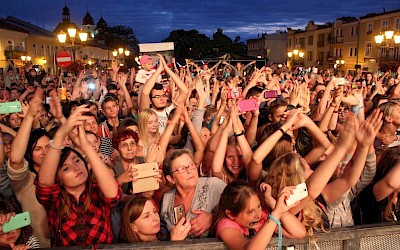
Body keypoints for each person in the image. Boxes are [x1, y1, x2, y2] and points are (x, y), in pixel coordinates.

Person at [35, 105, 122, 247]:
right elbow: (44, 183)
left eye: (77, 161)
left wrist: (87, 147)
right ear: (58, 178)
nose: (75, 168)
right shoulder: (55, 200)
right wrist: (59, 136)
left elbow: (113, 194)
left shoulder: (96, 192)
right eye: (66, 168)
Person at [7, 90, 50, 247]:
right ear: (30, 154)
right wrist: (30, 117)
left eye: (48, 147)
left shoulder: (64, 175)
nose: (45, 153)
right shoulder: (26, 181)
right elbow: (16, 159)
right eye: (38, 149)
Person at [214, 181, 306, 250]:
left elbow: (299, 232)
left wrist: (273, 203)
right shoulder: (226, 226)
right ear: (231, 214)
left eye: (258, 206)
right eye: (250, 212)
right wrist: (276, 214)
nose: (257, 214)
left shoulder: (262, 216)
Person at [161, 149, 226, 238]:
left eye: (191, 165)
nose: (189, 171)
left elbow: (239, 208)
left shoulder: (213, 185)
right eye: (182, 169)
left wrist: (213, 218)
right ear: (171, 179)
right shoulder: (167, 199)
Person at [120, 197, 190, 242]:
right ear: (133, 227)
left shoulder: (164, 235)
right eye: (146, 216)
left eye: (154, 211)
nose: (155, 218)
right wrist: (175, 242)